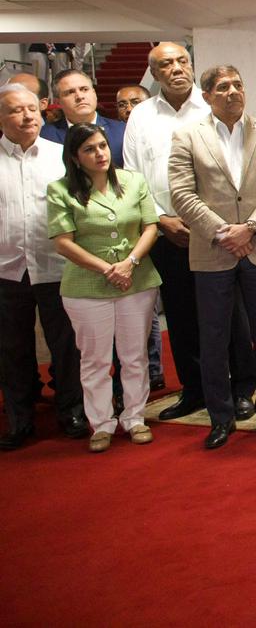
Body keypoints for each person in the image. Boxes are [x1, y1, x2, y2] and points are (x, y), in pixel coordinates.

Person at [123, 43, 256, 422]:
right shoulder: (141, 116)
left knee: (231, 313)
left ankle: (241, 388)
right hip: (168, 231)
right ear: (155, 73)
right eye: (167, 64)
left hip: (219, 232)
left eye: (183, 61)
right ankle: (195, 390)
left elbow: (236, 169)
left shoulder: (212, 103)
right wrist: (159, 219)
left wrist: (218, 225)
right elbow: (133, 175)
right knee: (181, 315)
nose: (177, 68)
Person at [169, 65, 256, 449]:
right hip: (213, 251)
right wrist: (224, 232)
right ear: (206, 95)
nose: (232, 92)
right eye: (222, 87)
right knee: (214, 338)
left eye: (238, 85)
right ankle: (221, 418)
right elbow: (182, 193)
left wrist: (251, 228)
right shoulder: (187, 136)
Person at [47, 123, 162, 452]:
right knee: (95, 359)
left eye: (102, 146)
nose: (100, 154)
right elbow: (63, 242)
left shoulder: (132, 180)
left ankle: (135, 417)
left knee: (134, 355)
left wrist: (129, 263)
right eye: (89, 149)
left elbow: (150, 227)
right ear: (74, 157)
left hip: (136, 280)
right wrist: (108, 269)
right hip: (86, 286)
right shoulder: (60, 189)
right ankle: (101, 423)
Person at [0, 84, 87, 449]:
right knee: (12, 349)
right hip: (7, 269)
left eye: (32, 109)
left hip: (56, 265)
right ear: (1, 118)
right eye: (16, 110)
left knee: (66, 345)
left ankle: (72, 412)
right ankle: (19, 420)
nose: (27, 117)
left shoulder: (60, 156)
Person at [113, 83, 165, 392]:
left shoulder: (153, 128)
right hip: (130, 231)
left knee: (150, 307)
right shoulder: (111, 135)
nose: (128, 108)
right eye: (122, 104)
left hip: (157, 226)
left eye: (135, 102)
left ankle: (154, 369)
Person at [40, 69, 125, 165]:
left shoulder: (122, 132)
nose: (80, 96)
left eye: (84, 89)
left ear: (94, 93)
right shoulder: (45, 136)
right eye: (70, 92)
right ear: (57, 102)